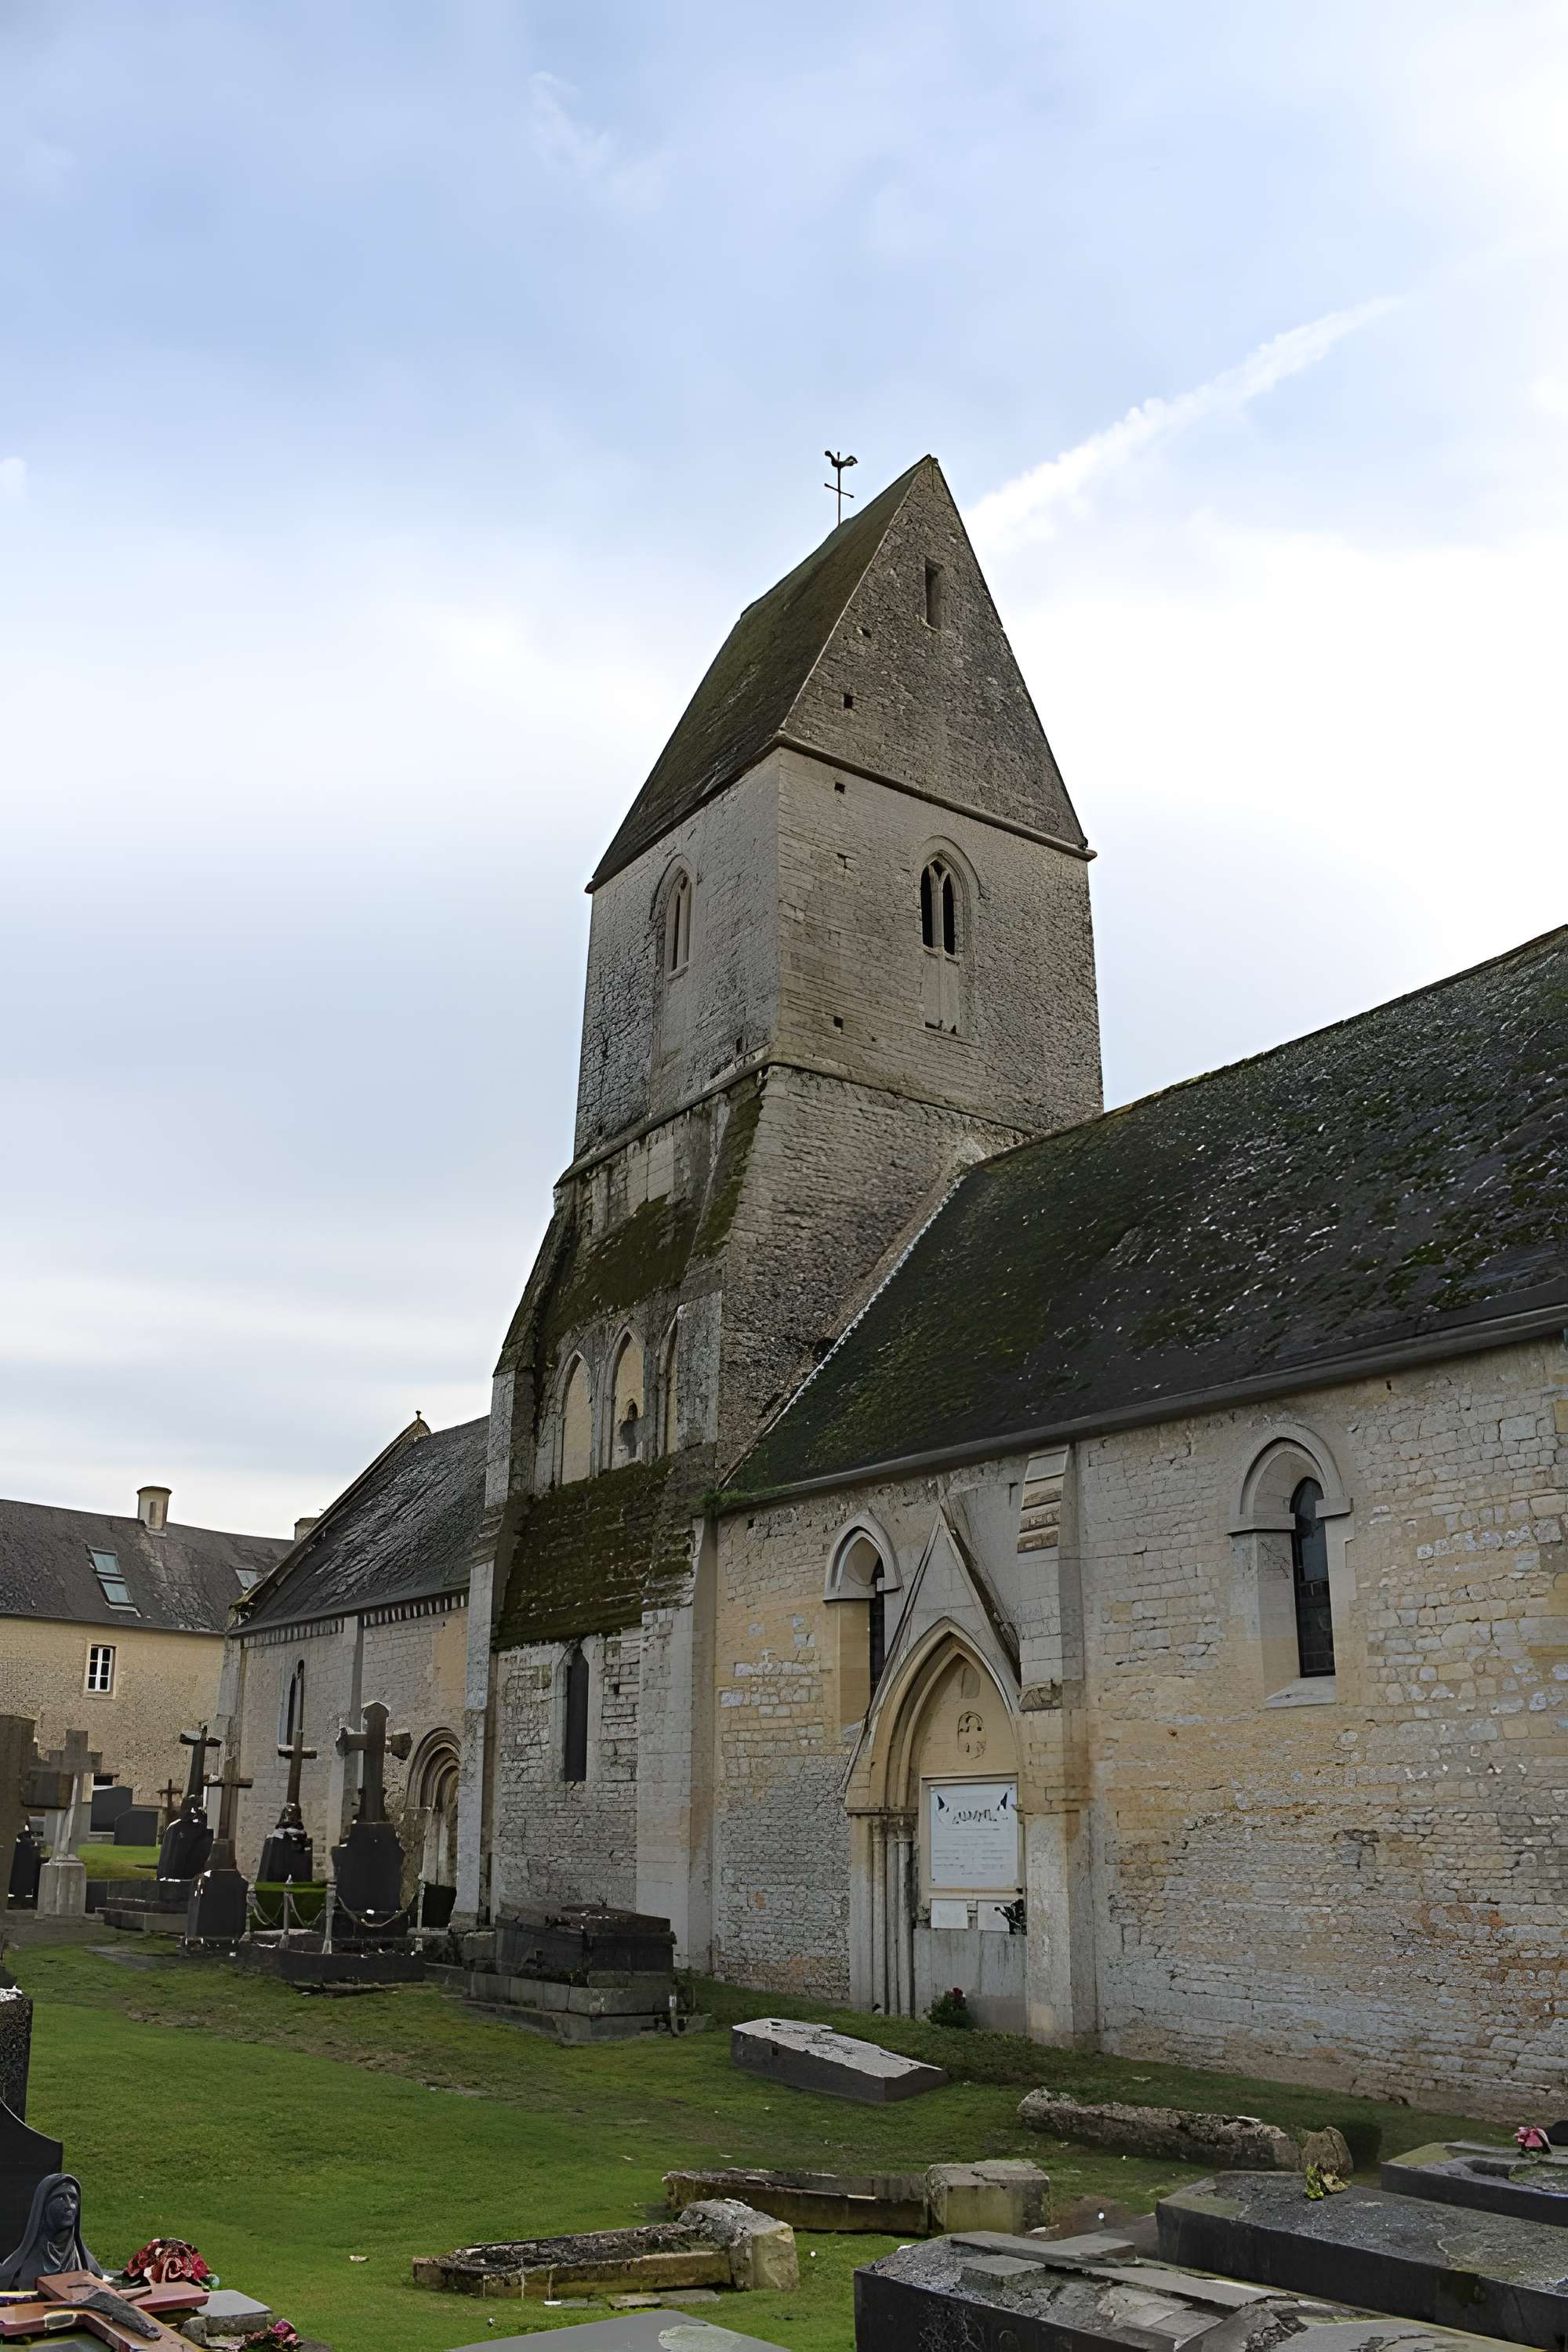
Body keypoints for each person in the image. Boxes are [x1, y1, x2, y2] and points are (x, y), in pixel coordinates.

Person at [0, 2170, 102, 2288]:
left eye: (73, 2198)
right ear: (43, 2206)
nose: (69, 2205)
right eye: (59, 2198)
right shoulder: (24, 2266)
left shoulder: (83, 2260)